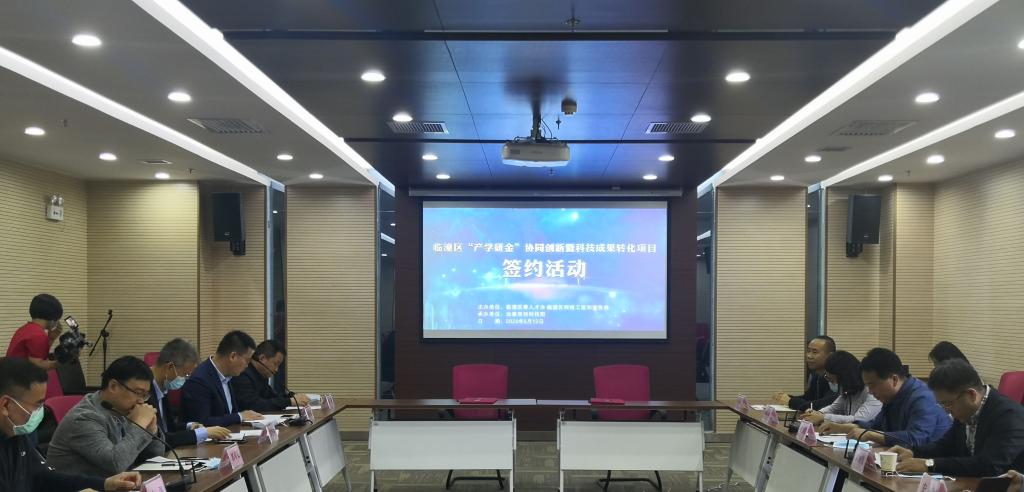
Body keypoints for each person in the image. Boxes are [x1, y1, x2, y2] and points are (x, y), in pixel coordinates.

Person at [0, 357, 143, 491]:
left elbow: (44, 478)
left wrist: (104, 484)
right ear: (5, 405)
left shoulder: (16, 434)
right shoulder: (84, 417)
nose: (41, 411)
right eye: (38, 404)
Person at [888, 359, 1024, 476]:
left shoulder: (1009, 416)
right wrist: (913, 452)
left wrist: (929, 464)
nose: (946, 410)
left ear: (971, 395)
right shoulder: (966, 410)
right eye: (942, 404)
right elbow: (945, 446)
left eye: (948, 403)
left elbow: (989, 465)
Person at [47, 356, 164, 476]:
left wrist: (151, 431)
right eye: (138, 393)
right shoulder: (84, 418)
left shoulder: (122, 408)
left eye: (145, 395)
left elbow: (156, 455)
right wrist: (139, 425)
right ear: (113, 386)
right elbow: (115, 465)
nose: (141, 401)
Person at [820, 348, 951, 447]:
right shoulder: (891, 397)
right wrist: (842, 427)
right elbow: (875, 425)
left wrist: (870, 435)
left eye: (872, 385)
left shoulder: (922, 397)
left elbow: (915, 438)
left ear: (894, 379)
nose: (870, 392)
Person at [148, 338, 231, 446]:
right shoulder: (144, 393)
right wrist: (202, 433)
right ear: (169, 367)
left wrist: (189, 426)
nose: (186, 379)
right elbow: (161, 438)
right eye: (185, 374)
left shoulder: (162, 387)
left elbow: (168, 428)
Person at [181, 330, 264, 426]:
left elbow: (229, 413)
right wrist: (239, 416)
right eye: (247, 360)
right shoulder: (200, 380)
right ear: (232, 356)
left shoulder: (227, 375)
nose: (247, 366)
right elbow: (202, 422)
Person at [800, 350, 882, 425]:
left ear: (845, 378)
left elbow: (859, 420)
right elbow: (833, 408)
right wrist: (816, 413)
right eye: (828, 378)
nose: (832, 384)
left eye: (833, 380)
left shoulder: (872, 391)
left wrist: (823, 417)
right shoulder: (848, 391)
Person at [231, 339, 310, 412]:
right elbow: (254, 405)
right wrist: (290, 401)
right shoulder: (242, 374)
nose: (276, 369)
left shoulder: (261, 374)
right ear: (262, 358)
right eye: (275, 364)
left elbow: (272, 397)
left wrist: (292, 397)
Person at [773, 336, 838, 412]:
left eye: (814, 352)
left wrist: (790, 401)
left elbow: (819, 406)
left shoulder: (835, 378)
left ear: (830, 356)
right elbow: (808, 398)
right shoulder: (817, 375)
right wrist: (788, 397)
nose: (809, 356)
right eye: (808, 351)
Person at [5, 294, 64, 370]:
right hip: (18, 376)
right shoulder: (39, 335)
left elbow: (39, 355)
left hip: (10, 372)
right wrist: (60, 363)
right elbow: (37, 366)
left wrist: (51, 338)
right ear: (53, 319)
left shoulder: (27, 328)